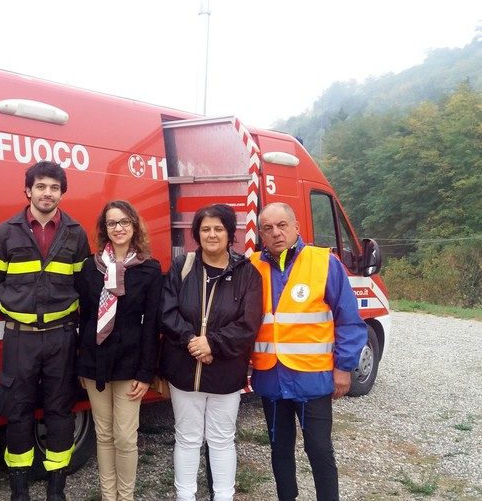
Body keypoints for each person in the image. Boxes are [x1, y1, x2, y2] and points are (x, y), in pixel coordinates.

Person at [0, 161, 91, 501]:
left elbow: (84, 285)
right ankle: (19, 488)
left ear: (62, 192)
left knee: (60, 410)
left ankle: (56, 488)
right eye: (41, 186)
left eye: (54, 187)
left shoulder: (75, 232)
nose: (48, 193)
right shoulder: (5, 232)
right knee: (17, 410)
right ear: (28, 190)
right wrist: (17, 315)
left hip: (61, 336)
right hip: (20, 338)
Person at [250, 202, 367, 501]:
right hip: (271, 378)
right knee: (279, 450)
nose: (276, 233)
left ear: (296, 227)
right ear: (261, 234)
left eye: (282, 225)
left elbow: (349, 320)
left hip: (312, 379)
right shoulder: (252, 266)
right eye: (268, 228)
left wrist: (343, 368)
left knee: (318, 449)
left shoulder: (324, 262)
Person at [159, 204, 262, 501]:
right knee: (187, 437)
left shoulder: (247, 273)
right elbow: (166, 311)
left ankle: (224, 495)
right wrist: (193, 341)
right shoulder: (183, 266)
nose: (212, 234)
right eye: (205, 229)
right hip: (184, 371)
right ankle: (185, 495)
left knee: (221, 439)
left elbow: (248, 323)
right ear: (197, 234)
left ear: (230, 233)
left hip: (225, 372)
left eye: (219, 228)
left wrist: (212, 344)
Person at [75, 200, 162, 501]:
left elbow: (151, 325)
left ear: (135, 225)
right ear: (104, 229)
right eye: (112, 223)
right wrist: (81, 365)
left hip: (130, 364)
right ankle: (107, 496)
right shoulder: (90, 267)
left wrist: (146, 372)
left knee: (125, 437)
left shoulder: (150, 269)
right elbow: (84, 319)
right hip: (94, 362)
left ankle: (125, 497)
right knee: (104, 434)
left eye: (124, 222)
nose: (119, 228)